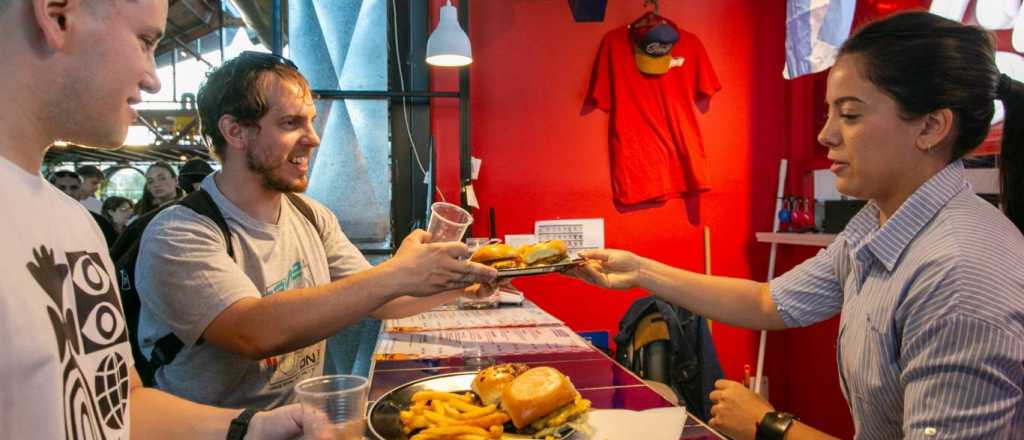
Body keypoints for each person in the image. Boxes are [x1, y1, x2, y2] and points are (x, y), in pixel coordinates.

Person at [569, 11, 1024, 440]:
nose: (826, 134)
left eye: (849, 114)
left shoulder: (958, 280)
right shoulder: (879, 225)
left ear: (931, 127)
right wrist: (640, 272)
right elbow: (770, 303)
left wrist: (770, 426)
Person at [0, 0, 309, 438]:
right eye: (145, 41)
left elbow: (117, 402)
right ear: (56, 16)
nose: (153, 75)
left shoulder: (75, 225)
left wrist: (254, 427)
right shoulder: (173, 228)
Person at [134, 51, 498, 409]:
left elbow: (384, 301)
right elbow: (252, 331)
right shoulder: (179, 233)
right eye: (290, 123)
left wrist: (461, 280)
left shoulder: (310, 215)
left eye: (310, 121)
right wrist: (398, 272)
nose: (314, 138)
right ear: (235, 131)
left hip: (302, 426)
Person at [50, 169, 118, 245]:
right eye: (61, 188)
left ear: (80, 190)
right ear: (50, 190)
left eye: (74, 188)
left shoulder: (97, 222)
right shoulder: (39, 220)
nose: (68, 192)